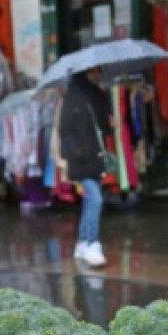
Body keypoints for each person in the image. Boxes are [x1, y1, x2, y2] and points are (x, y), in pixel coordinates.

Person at [58, 68, 113, 268]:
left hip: (95, 156)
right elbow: (65, 130)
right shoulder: (72, 97)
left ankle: (82, 243)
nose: (97, 74)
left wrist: (109, 122)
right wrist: (76, 152)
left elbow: (103, 126)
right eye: (93, 71)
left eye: (99, 71)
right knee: (96, 199)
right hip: (81, 160)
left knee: (91, 200)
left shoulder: (97, 95)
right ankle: (91, 242)